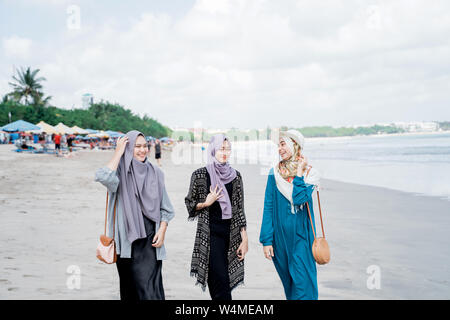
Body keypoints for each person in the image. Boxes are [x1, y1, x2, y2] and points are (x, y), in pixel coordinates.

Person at [95, 130, 175, 300]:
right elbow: (102, 176)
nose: (142, 150)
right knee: (130, 291)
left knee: (150, 292)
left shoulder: (156, 173)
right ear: (128, 148)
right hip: (126, 244)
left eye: (145, 146)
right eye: (137, 146)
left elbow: (166, 208)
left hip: (151, 241)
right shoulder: (119, 174)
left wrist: (162, 230)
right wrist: (118, 153)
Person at [259, 129, 321, 300]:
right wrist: (266, 240)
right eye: (279, 145)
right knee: (290, 286)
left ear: (295, 145)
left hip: (302, 237)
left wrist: (299, 174)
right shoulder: (274, 173)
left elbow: (300, 198)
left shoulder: (310, 173)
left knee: (304, 284)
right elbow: (268, 206)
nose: (280, 149)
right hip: (280, 239)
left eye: (283, 144)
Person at [185, 134, 248, 300]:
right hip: (211, 236)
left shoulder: (236, 176)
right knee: (220, 283)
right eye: (221, 149)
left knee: (222, 282)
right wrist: (206, 203)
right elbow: (190, 204)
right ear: (213, 150)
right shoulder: (199, 176)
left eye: (228, 149)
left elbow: (239, 209)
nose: (225, 152)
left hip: (231, 235)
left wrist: (244, 239)